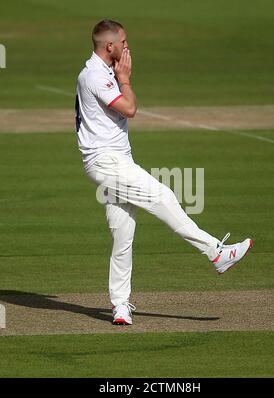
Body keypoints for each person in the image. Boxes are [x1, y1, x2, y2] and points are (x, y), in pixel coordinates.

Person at [75, 19, 252, 325]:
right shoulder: (94, 75)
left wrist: (121, 76)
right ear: (109, 46)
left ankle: (120, 305)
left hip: (115, 161)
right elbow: (129, 109)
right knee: (164, 196)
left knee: (123, 235)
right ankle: (215, 252)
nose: (128, 47)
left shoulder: (103, 71)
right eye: (124, 43)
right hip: (106, 161)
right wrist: (126, 79)